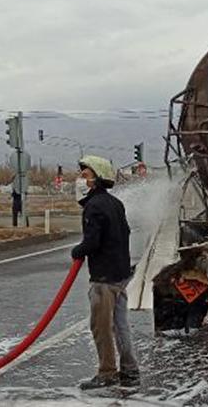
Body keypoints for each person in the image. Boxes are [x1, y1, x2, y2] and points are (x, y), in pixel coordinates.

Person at [71, 155, 140, 390]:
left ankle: (107, 372)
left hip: (104, 278)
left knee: (101, 327)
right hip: (120, 275)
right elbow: (125, 234)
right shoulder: (115, 203)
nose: (81, 179)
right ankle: (130, 370)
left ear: (97, 179)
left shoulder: (94, 206)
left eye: (86, 174)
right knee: (120, 325)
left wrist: (77, 251)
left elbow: (92, 242)